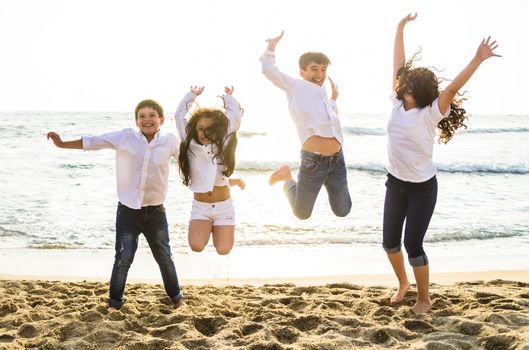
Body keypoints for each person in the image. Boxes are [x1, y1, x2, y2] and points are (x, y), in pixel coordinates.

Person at [384, 13, 501, 314]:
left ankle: (424, 299)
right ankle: (403, 284)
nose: (402, 86)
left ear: (419, 92)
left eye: (408, 85)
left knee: (413, 245)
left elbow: (451, 89)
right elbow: (398, 62)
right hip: (395, 183)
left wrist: (477, 59)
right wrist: (399, 29)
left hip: (422, 188)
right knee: (389, 243)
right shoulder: (397, 103)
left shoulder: (431, 112)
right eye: (403, 83)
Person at [47, 99, 183, 309]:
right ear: (136, 121)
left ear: (161, 119)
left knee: (165, 257)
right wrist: (62, 143)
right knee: (123, 258)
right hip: (128, 212)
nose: (147, 119)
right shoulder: (125, 137)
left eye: (152, 115)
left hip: (156, 212)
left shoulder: (170, 140)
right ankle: (114, 303)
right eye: (142, 116)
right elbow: (93, 142)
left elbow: (188, 161)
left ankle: (177, 298)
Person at [261, 31, 352, 220]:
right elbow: (269, 71)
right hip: (314, 161)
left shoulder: (323, 94)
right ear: (302, 72)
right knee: (302, 213)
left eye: (323, 70)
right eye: (314, 69)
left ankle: (326, 182)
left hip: (337, 160)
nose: (320, 74)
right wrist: (271, 47)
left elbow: (329, 118)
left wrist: (334, 99)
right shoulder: (296, 87)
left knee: (343, 210)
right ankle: (286, 177)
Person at [175, 85, 244, 255]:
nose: (204, 133)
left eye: (210, 129)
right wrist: (191, 95)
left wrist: (228, 98)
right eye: (200, 128)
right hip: (200, 207)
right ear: (194, 129)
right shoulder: (189, 144)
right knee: (196, 246)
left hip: (224, 207)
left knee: (223, 250)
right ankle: (207, 228)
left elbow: (235, 118)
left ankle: (220, 230)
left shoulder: (224, 143)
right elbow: (179, 116)